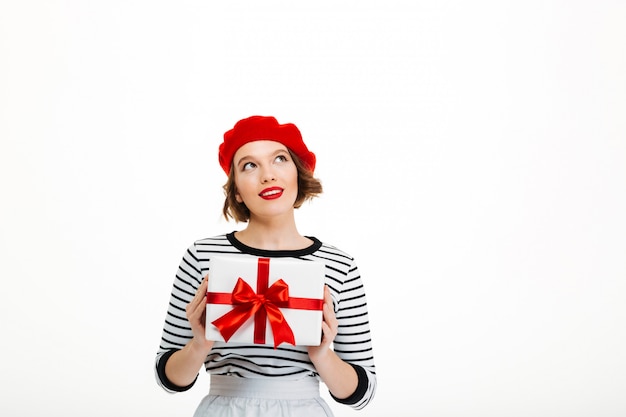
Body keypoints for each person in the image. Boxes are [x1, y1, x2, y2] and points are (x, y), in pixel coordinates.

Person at [155, 115, 377, 416]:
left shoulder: (339, 265)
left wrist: (322, 354)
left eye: (280, 159)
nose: (268, 175)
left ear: (299, 173)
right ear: (236, 191)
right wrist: (199, 344)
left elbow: (362, 394)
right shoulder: (202, 256)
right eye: (249, 165)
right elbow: (168, 380)